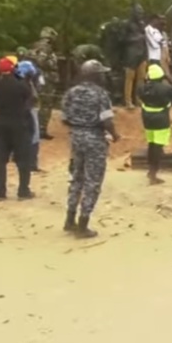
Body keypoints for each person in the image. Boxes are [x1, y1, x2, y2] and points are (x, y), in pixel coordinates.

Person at [61, 60, 121, 238]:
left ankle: (69, 220)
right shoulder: (100, 94)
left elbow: (64, 118)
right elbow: (107, 120)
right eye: (101, 73)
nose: (104, 76)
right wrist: (115, 135)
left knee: (76, 178)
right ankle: (83, 224)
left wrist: (78, 126)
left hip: (75, 137)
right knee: (93, 181)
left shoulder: (71, 93)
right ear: (94, 75)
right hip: (94, 138)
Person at [0, 56, 34, 201]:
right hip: (19, 124)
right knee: (23, 159)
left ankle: (0, 192)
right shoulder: (20, 85)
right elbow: (29, 96)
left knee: (0, 160)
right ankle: (23, 190)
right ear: (13, 69)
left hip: (1, 124)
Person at [139, 64, 172, 185]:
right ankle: (153, 173)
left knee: (151, 143)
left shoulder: (142, 88)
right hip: (161, 118)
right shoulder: (165, 88)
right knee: (158, 146)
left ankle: (150, 169)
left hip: (147, 118)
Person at [28, 26, 60, 140]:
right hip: (45, 78)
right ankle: (41, 129)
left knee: (36, 103)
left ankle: (35, 128)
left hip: (37, 77)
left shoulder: (34, 46)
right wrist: (51, 66)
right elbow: (41, 61)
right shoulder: (45, 48)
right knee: (46, 104)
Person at [14, 60, 45, 172]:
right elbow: (34, 97)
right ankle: (32, 163)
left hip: (19, 112)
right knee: (34, 137)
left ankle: (20, 159)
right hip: (30, 111)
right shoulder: (26, 84)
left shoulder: (16, 82)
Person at [123, 4, 149, 109]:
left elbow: (145, 39)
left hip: (142, 52)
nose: (140, 14)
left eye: (141, 12)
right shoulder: (127, 24)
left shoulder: (142, 24)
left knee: (141, 77)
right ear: (133, 12)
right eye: (138, 12)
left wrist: (146, 54)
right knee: (130, 77)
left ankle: (139, 99)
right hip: (131, 53)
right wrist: (137, 38)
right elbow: (123, 39)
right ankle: (128, 101)